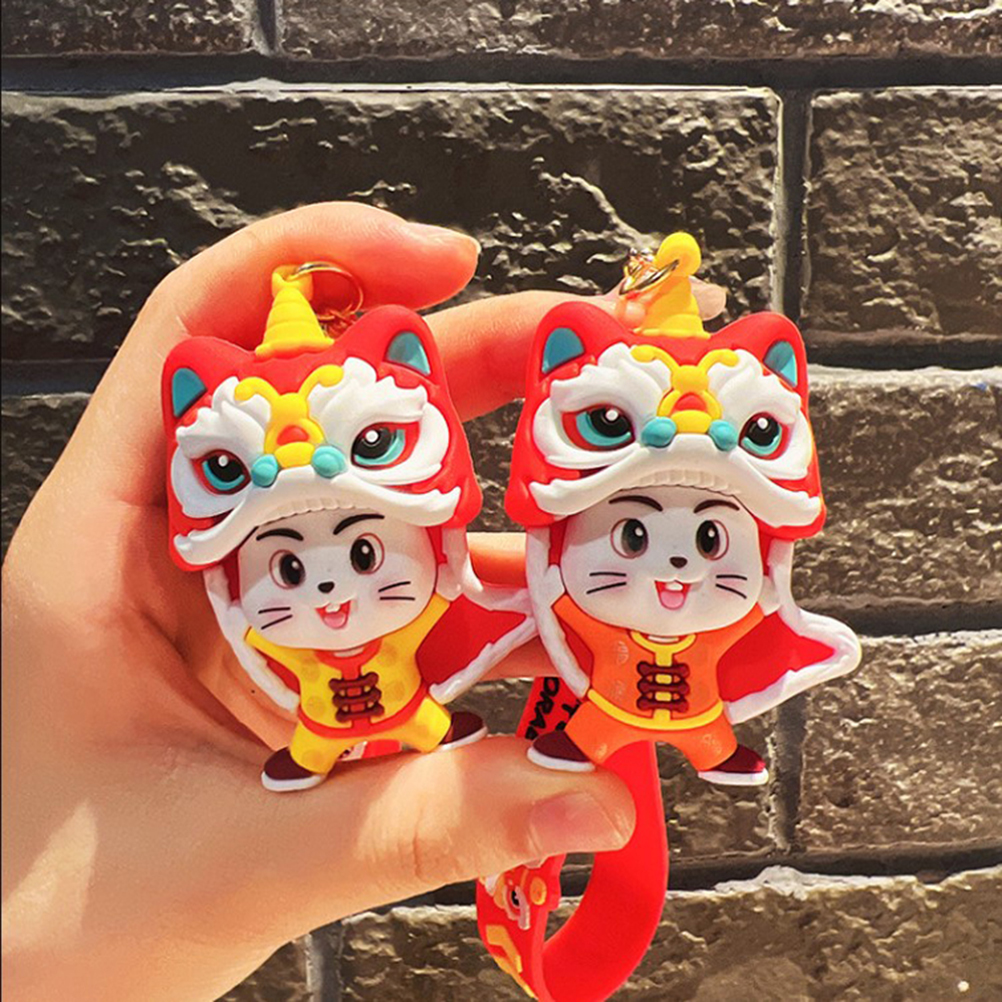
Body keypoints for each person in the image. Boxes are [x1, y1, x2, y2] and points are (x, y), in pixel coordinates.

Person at [1, 203, 642, 1000]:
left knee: (438, 699)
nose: (332, 589)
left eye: (363, 554)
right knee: (330, 732)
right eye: (290, 570)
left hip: (407, 690)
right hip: (319, 714)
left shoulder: (436, 591)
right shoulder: (254, 628)